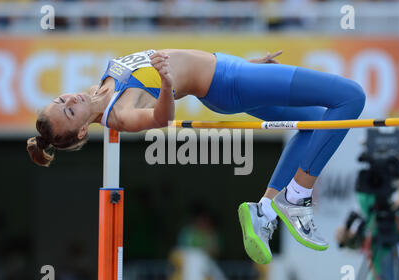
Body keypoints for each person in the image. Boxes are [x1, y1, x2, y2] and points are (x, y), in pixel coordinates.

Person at [26, 49, 366, 265]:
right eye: (69, 113)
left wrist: (252, 69)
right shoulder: (119, 115)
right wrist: (166, 81)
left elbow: (187, 59)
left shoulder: (99, 89)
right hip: (230, 82)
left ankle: (264, 211)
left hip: (232, 73)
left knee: (313, 124)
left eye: (61, 101)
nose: (70, 101)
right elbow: (161, 118)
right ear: (82, 131)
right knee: (350, 97)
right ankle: (298, 196)